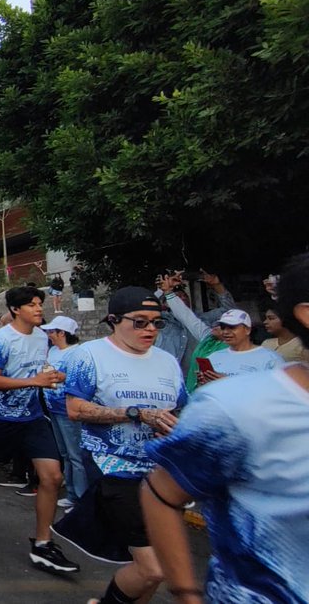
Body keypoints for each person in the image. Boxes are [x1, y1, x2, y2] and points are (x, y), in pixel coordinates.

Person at [141, 253, 309, 604]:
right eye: (223, 326)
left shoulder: (267, 358)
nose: (225, 331)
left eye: (232, 326)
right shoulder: (233, 405)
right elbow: (161, 491)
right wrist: (187, 594)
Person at [56, 287, 187, 604]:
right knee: (153, 568)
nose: (151, 330)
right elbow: (75, 410)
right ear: (113, 320)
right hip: (113, 467)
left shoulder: (168, 362)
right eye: (140, 322)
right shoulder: (90, 356)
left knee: (154, 565)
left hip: (160, 472)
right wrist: (135, 414)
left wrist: (172, 427)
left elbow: (180, 408)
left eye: (158, 323)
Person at [0, 286, 79, 575]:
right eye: (32, 304)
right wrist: (34, 381)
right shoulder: (2, 340)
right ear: (15, 310)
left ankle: (43, 544)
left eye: (39, 303)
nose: (38, 309)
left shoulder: (41, 337)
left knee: (53, 476)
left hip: (32, 417)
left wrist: (55, 375)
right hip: (0, 418)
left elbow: (38, 370)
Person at [38, 315, 85, 508]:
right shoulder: (53, 351)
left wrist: (62, 376)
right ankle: (73, 493)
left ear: (62, 333)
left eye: (52, 331)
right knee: (65, 453)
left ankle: (81, 499)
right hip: (53, 408)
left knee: (75, 455)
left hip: (68, 409)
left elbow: (81, 380)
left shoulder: (77, 353)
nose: (49, 335)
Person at [198, 310, 283, 383]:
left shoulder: (270, 358)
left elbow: (278, 390)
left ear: (247, 330)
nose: (226, 332)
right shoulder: (213, 357)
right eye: (223, 328)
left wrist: (228, 382)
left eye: (232, 327)